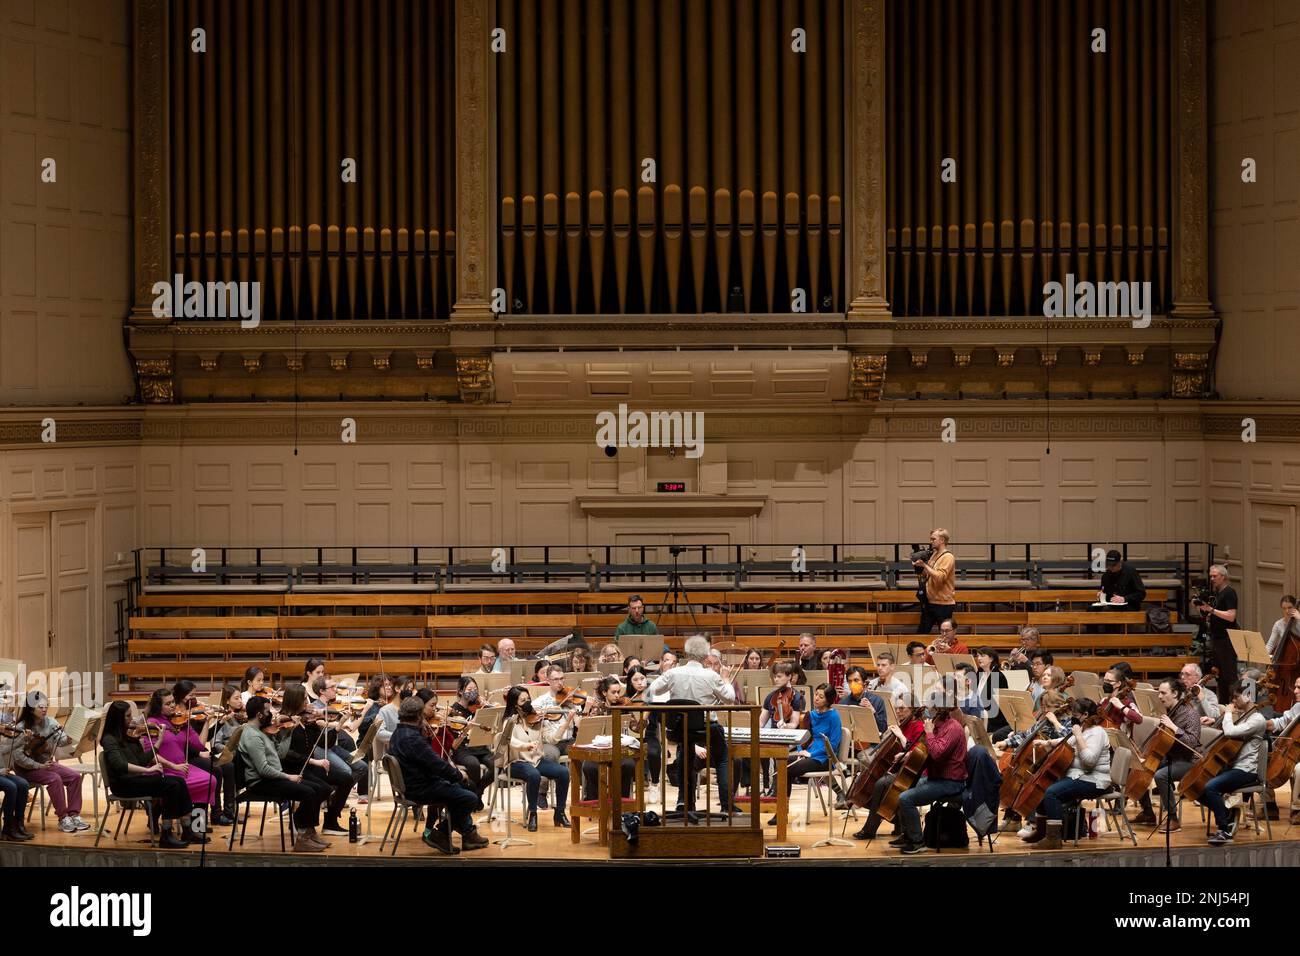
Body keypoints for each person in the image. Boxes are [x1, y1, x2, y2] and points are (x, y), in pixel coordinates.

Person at [648, 634, 740, 815]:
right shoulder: (710, 675)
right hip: (705, 728)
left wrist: (666, 672)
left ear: (685, 653)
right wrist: (726, 678)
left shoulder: (674, 673)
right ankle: (725, 805)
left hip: (678, 729)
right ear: (706, 656)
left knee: (684, 756)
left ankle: (686, 803)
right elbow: (729, 699)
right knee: (722, 759)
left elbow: (654, 689)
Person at [389, 696, 488, 854]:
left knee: (459, 791)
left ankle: (468, 835)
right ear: (419, 715)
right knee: (469, 798)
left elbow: (425, 760)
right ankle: (440, 833)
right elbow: (438, 765)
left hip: (411, 784)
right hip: (420, 788)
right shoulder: (413, 739)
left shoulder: (398, 733)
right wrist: (459, 774)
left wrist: (427, 737)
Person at [237, 695, 328, 852]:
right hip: (260, 783)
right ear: (259, 715)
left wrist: (288, 732)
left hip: (271, 778)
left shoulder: (261, 732)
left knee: (319, 789)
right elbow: (263, 769)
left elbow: (280, 754)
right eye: (268, 711)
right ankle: (302, 837)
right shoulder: (252, 736)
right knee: (309, 792)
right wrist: (288, 777)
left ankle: (308, 832)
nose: (272, 714)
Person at [99, 702, 193, 849]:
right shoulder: (109, 739)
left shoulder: (127, 736)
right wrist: (149, 771)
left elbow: (141, 760)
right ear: (118, 718)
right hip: (123, 785)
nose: (132, 719)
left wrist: (159, 742)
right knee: (172, 785)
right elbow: (120, 765)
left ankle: (187, 829)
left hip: (135, 780)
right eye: (128, 716)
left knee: (179, 781)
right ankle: (166, 834)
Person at [1023, 698, 1110, 849]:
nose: (1073, 717)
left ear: (1085, 714)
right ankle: (1042, 831)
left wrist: (1078, 736)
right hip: (1078, 775)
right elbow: (1067, 741)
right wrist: (1047, 743)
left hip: (1093, 780)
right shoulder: (1082, 728)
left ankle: (1053, 838)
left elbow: (1089, 761)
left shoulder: (1097, 732)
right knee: (1044, 787)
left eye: (1076, 714)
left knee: (1052, 793)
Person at [0, 693, 87, 832]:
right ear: (30, 709)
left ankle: (74, 814)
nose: (44, 709)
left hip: (45, 764)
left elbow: (61, 740)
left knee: (75, 777)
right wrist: (39, 766)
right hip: (26, 768)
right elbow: (19, 758)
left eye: (46, 706)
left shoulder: (51, 722)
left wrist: (69, 738)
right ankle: (63, 818)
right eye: (40, 706)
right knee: (54, 779)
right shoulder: (21, 727)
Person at [279, 682, 353, 836]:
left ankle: (330, 822)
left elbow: (324, 743)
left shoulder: (307, 721)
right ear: (294, 701)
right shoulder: (284, 723)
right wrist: (314, 761)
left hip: (309, 768)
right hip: (293, 769)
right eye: (304, 700)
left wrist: (339, 724)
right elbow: (287, 753)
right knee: (322, 789)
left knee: (346, 778)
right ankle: (302, 820)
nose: (308, 704)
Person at [894, 698, 967, 854]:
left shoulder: (953, 728)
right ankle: (908, 834)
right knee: (901, 789)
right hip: (937, 778)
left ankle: (917, 841)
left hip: (950, 782)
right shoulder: (938, 726)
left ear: (940, 710)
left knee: (906, 798)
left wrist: (928, 732)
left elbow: (937, 753)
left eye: (931, 708)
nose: (928, 712)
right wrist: (909, 755)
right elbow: (926, 750)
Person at [1130, 678, 1204, 830]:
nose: (1159, 697)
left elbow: (1191, 743)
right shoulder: (1170, 711)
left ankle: (1173, 819)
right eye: (1159, 693)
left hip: (1190, 760)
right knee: (1141, 766)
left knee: (1161, 775)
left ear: (1175, 694)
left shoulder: (1190, 714)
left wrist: (1174, 727)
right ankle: (1148, 813)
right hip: (1172, 757)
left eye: (1163, 693)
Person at [852, 695, 926, 840]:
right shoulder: (903, 724)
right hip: (899, 769)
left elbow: (917, 754)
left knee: (880, 784)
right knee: (873, 786)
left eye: (902, 708)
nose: (898, 711)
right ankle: (898, 822)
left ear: (912, 709)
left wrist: (900, 735)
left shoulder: (919, 726)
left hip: (912, 772)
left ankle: (870, 829)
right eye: (896, 708)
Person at [1203, 681, 1268, 845]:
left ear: (1248, 696)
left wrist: (1227, 713)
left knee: (1211, 787)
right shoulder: (1245, 716)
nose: (1233, 701)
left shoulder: (1257, 719)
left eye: (1236, 697)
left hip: (1246, 771)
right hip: (1235, 767)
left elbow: (1230, 731)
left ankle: (1224, 830)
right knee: (1198, 787)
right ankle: (1228, 814)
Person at [503, 685, 571, 831]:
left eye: (529, 699)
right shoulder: (509, 721)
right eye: (523, 700)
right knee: (534, 775)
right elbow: (510, 741)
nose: (527, 703)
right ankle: (533, 814)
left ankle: (560, 812)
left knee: (563, 772)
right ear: (515, 704)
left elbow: (552, 739)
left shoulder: (536, 719)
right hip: (516, 762)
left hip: (536, 760)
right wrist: (524, 746)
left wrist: (565, 724)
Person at [777, 685, 842, 820]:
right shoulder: (811, 715)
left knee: (787, 770)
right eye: (816, 694)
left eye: (821, 696)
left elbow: (833, 745)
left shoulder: (834, 716)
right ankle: (782, 808)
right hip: (808, 755)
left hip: (825, 759)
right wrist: (801, 751)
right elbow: (803, 738)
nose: (816, 698)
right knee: (783, 763)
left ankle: (781, 812)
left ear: (829, 700)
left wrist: (812, 754)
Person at [580, 677, 637, 801]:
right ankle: (594, 801)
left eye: (618, 692)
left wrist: (643, 719)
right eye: (613, 692)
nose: (617, 695)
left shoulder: (623, 707)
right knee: (589, 767)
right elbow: (587, 731)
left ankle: (621, 801)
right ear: (605, 693)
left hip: (618, 750)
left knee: (628, 764)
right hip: (599, 750)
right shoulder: (597, 708)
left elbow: (635, 728)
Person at [1193, 565, 1239, 704]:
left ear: (1223, 577)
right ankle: (1223, 705)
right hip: (1217, 639)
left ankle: (1235, 705)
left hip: (1227, 639)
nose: (1212, 579)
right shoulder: (1217, 593)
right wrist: (1199, 607)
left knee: (1230, 676)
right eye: (1211, 576)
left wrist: (1211, 610)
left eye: (1215, 576)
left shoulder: (1229, 592)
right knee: (1220, 676)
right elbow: (1207, 614)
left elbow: (1231, 616)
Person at [447, 676, 493, 798]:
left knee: (498, 763)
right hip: (463, 749)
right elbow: (454, 740)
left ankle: (478, 792)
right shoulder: (454, 710)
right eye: (470, 689)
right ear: (461, 691)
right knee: (473, 765)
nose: (473, 692)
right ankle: (473, 797)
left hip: (480, 747)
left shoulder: (479, 707)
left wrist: (486, 707)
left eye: (475, 689)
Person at [531, 665, 586, 760]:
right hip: (549, 743)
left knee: (585, 751)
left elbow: (579, 725)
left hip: (569, 741)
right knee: (551, 755)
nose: (560, 683)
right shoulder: (539, 702)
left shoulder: (571, 699)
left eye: (562, 679)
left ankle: (577, 775)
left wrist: (586, 708)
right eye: (555, 679)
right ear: (548, 680)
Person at [913, 528, 957, 634]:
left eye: (933, 539)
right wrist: (919, 567)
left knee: (945, 635)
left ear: (942, 540)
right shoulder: (934, 554)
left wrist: (924, 565)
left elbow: (940, 577)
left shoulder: (948, 557)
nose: (931, 541)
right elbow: (927, 574)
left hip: (943, 604)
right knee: (921, 634)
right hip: (930, 602)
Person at [971, 647, 1010, 741]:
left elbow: (997, 705)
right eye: (978, 656)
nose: (979, 658)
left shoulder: (998, 677)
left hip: (993, 719)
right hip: (979, 714)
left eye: (982, 656)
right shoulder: (979, 673)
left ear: (991, 659)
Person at [843, 666, 888, 735]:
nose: (852, 684)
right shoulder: (843, 703)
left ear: (864, 682)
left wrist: (872, 712)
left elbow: (883, 729)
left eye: (856, 680)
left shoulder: (877, 701)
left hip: (872, 743)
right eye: (850, 681)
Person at [762, 662, 805, 729]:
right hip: (773, 735)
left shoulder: (797, 698)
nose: (776, 679)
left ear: (789, 676)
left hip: (790, 736)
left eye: (779, 676)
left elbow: (794, 724)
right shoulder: (770, 697)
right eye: (775, 677)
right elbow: (761, 723)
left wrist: (785, 726)